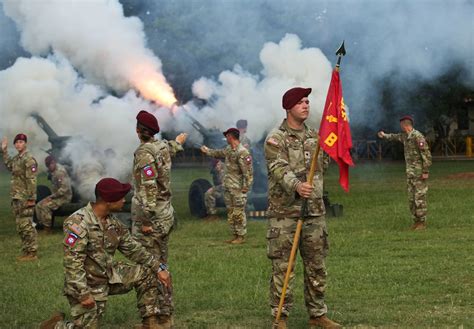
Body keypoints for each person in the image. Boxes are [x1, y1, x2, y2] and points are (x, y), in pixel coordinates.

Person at [40, 178, 171, 329]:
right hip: (87, 284)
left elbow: (133, 249)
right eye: (120, 197)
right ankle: (55, 326)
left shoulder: (113, 224)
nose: (123, 201)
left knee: (149, 273)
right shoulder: (77, 222)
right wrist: (82, 293)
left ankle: (150, 324)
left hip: (109, 276)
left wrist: (158, 267)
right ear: (108, 201)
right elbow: (72, 262)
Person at [264, 87, 340, 328]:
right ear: (289, 107)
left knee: (317, 265)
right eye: (300, 102)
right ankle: (281, 317)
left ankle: (317, 314)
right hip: (285, 214)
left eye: (308, 101)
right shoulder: (276, 138)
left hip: (314, 212)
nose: (306, 105)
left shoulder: (315, 136)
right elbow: (278, 168)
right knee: (283, 267)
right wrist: (296, 185)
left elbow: (323, 165)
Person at [132, 110, 187, 326]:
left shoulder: (144, 153)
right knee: (162, 264)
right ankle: (166, 313)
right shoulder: (161, 146)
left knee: (148, 268)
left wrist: (145, 220)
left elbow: (149, 188)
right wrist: (179, 141)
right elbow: (171, 147)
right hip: (165, 216)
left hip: (151, 220)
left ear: (137, 131)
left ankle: (151, 317)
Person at [378, 115, 432, 230]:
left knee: (419, 197)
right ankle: (416, 222)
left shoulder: (417, 136)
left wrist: (425, 171)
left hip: (419, 173)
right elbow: (394, 137)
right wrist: (384, 135)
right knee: (412, 198)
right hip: (410, 173)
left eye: (401, 125)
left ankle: (422, 222)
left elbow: (426, 154)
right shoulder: (405, 136)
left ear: (405, 125)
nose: (400, 127)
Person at [201, 128, 253, 244]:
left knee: (238, 212)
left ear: (230, 136)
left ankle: (241, 236)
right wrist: (207, 151)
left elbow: (248, 172)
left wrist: (246, 186)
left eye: (227, 136)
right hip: (228, 186)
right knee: (231, 211)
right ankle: (235, 234)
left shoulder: (243, 152)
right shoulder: (229, 149)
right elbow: (218, 153)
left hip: (238, 188)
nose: (226, 138)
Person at [1, 134, 38, 261]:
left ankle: (32, 252)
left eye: (21, 142)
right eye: (16, 142)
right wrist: (4, 150)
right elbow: (9, 165)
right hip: (17, 197)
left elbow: (31, 180)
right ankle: (26, 251)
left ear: (25, 143)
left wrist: (31, 198)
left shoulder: (29, 159)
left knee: (27, 225)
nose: (18, 144)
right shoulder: (17, 159)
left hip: (25, 197)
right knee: (20, 226)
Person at [35, 155, 73, 232]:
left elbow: (64, 189)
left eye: (51, 164)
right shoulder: (53, 171)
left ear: (54, 163)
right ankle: (41, 224)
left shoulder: (60, 172)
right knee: (39, 205)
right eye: (48, 165)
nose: (49, 167)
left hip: (64, 197)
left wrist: (51, 197)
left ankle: (47, 229)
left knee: (46, 206)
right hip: (57, 196)